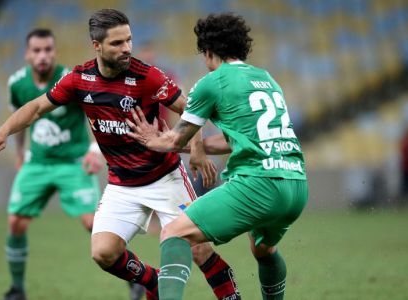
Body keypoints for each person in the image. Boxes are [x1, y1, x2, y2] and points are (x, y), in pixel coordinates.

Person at [0, 9, 241, 300]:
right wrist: (2, 132)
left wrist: (198, 150)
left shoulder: (147, 76)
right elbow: (37, 108)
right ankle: (153, 282)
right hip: (122, 185)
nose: (127, 48)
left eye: (129, 40)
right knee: (103, 252)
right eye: (117, 43)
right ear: (97, 45)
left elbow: (190, 109)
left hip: (164, 178)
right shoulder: (79, 80)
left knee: (200, 249)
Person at [127, 13, 309, 300]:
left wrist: (151, 139)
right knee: (263, 249)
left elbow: (175, 139)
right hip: (296, 184)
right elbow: (237, 139)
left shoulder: (211, 82)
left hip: (258, 184)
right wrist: (192, 148)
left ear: (208, 51)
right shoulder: (267, 79)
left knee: (174, 233)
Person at [0, 28, 106, 300]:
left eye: (48, 50)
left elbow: (95, 115)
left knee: (95, 224)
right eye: (37, 50)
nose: (42, 56)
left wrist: (95, 150)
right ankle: (17, 288)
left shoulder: (71, 79)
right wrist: (20, 152)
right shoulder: (17, 84)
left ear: (55, 52)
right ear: (27, 54)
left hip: (74, 163)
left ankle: (133, 277)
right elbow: (21, 118)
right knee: (16, 223)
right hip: (38, 163)